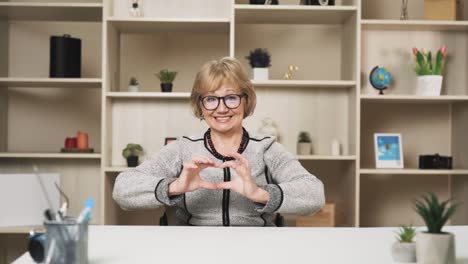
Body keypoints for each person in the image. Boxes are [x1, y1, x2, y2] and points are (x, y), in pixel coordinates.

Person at [113, 57, 325, 226]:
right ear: (201, 105)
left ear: (246, 100)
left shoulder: (266, 148)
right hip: (193, 251)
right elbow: (123, 189)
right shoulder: (182, 148)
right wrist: (175, 186)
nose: (221, 108)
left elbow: (314, 194)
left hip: (258, 249)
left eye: (231, 97)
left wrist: (259, 193)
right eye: (211, 99)